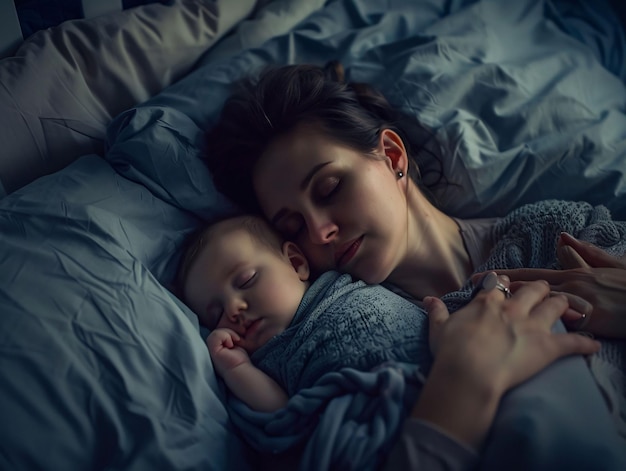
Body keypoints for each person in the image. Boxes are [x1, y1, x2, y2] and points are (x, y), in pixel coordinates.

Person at [201, 62, 626, 468]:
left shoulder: (551, 233)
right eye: (292, 227)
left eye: (329, 188)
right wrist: (460, 384)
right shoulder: (338, 342)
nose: (319, 232)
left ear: (392, 156)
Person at [176, 214, 606, 470]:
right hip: (383, 417)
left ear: (295, 261)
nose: (234, 307)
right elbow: (286, 419)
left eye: (246, 280)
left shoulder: (350, 285)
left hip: (452, 367)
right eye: (214, 313)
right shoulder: (267, 359)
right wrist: (238, 370)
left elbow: (428, 315)